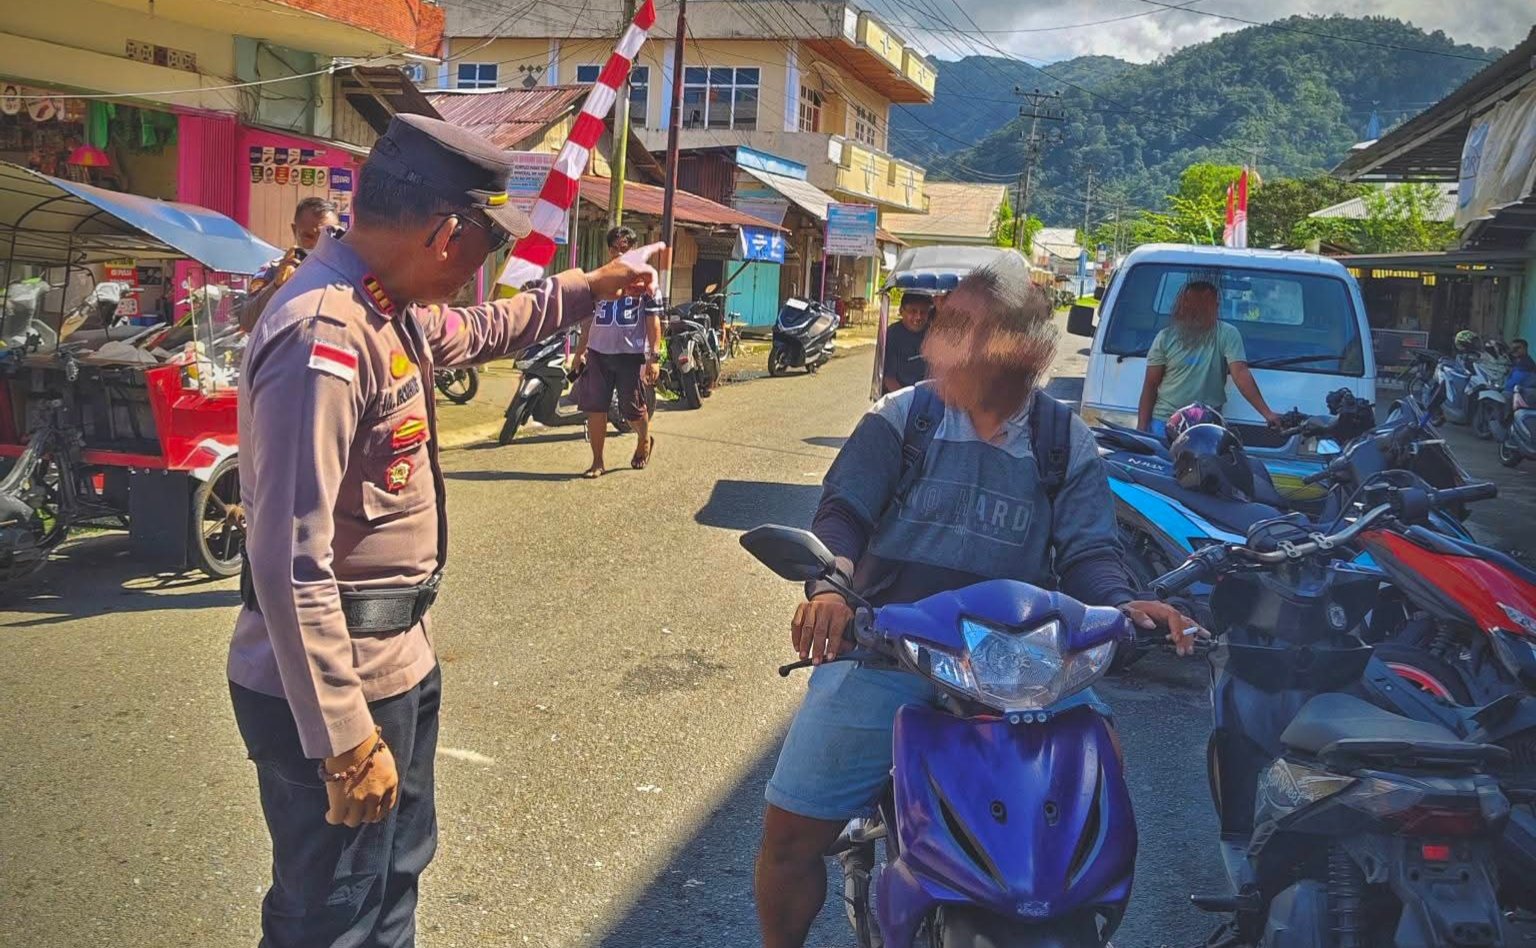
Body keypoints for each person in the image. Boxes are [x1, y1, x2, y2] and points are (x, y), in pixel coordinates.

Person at [228, 113, 658, 948]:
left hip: (396, 663)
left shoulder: (382, 308)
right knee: (333, 914)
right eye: (482, 244)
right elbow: (288, 558)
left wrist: (595, 285)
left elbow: (487, 329)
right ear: (445, 232)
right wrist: (345, 740)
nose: (480, 269)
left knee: (391, 886)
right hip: (335, 685)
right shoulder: (324, 332)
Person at [754, 251, 1200, 948]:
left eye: (970, 329)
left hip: (1017, 667)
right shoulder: (904, 418)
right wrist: (829, 590)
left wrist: (1126, 605)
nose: (947, 342)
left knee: (1098, 770)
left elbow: (1088, 552)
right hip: (886, 650)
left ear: (1022, 350)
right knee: (789, 838)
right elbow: (843, 514)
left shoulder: (1063, 441)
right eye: (949, 326)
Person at [572, 225, 662, 477]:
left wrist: (654, 357)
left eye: (624, 249)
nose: (619, 253)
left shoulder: (646, 283)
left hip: (629, 354)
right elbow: (588, 319)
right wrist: (580, 351)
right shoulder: (598, 279)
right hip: (598, 352)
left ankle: (644, 438)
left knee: (631, 408)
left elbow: (653, 322)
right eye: (615, 248)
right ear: (609, 249)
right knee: (596, 408)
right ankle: (597, 461)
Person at [1137, 279, 1279, 435]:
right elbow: (1150, 384)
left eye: (1205, 305)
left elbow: (1240, 374)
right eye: (1193, 304)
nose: (1198, 310)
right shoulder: (1165, 337)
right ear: (1183, 306)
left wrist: (1267, 413)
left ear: (1215, 307)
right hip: (1165, 421)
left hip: (1207, 424)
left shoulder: (1227, 334)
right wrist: (1142, 428)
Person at [237, 197, 343, 332]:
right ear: (295, 231)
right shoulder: (274, 270)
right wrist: (277, 285)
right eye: (309, 236)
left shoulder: (348, 273)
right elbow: (247, 322)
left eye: (326, 237)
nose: (318, 245)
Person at [881, 289, 935, 393]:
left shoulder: (932, 334)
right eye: (913, 311)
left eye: (923, 312)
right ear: (901, 311)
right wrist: (909, 402)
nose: (918, 317)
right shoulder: (893, 335)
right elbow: (889, 379)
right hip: (900, 398)